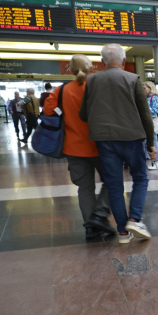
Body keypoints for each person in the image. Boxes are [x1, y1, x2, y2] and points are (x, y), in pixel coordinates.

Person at [79, 43, 156, 243]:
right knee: (140, 178)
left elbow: (84, 114)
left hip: (105, 139)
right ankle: (134, 219)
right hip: (132, 138)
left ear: (103, 61)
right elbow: (145, 115)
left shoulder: (92, 80)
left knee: (114, 185)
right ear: (123, 60)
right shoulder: (132, 79)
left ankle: (122, 232)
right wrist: (151, 143)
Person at [45, 54, 117, 241]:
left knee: (84, 188)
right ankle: (99, 215)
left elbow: (47, 111)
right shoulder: (98, 86)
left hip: (73, 148)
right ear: (91, 68)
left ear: (69, 69)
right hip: (100, 145)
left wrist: (65, 112)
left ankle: (90, 229)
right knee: (112, 180)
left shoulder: (61, 91)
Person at [143, 81, 158, 170]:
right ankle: (148, 161)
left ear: (150, 88)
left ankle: (157, 161)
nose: (142, 90)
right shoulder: (145, 98)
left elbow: (156, 110)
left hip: (151, 123)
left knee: (154, 141)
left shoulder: (154, 98)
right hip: (144, 123)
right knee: (145, 142)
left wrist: (145, 110)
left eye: (144, 88)